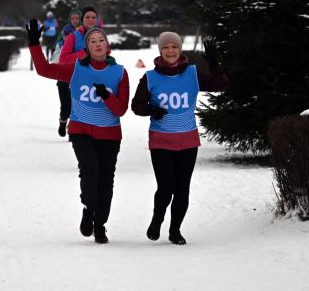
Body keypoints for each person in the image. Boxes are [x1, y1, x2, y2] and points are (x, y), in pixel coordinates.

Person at [26, 18, 129, 244]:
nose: (98, 44)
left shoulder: (120, 73)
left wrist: (106, 96)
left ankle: (100, 225)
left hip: (109, 134)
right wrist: (35, 44)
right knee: (90, 171)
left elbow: (121, 109)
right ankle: (89, 208)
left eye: (101, 40)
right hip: (81, 130)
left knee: (106, 181)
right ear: (87, 48)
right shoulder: (76, 70)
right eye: (92, 41)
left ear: (107, 46)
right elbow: (44, 69)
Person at [131, 32, 228, 245]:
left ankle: (175, 230)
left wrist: (214, 64)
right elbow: (136, 106)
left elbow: (220, 86)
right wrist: (151, 110)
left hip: (187, 140)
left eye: (174, 46)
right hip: (161, 140)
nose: (170, 51)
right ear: (160, 51)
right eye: (166, 47)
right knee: (166, 187)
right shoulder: (150, 77)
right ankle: (157, 219)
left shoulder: (192, 74)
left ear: (180, 49)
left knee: (182, 189)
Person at [53, 9, 81, 137]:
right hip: (63, 80)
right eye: (73, 18)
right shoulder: (61, 45)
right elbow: (54, 60)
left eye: (77, 18)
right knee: (66, 107)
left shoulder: (80, 42)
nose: (75, 20)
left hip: (78, 79)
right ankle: (63, 121)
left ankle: (73, 130)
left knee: (76, 106)